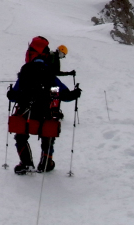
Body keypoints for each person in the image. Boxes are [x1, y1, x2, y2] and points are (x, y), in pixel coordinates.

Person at [7, 36, 80, 174]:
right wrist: (74, 93)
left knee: (20, 136)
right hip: (44, 113)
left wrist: (13, 94)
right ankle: (46, 162)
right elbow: (62, 94)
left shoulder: (25, 72)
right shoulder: (49, 74)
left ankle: (26, 163)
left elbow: (14, 96)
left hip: (25, 114)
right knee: (48, 134)